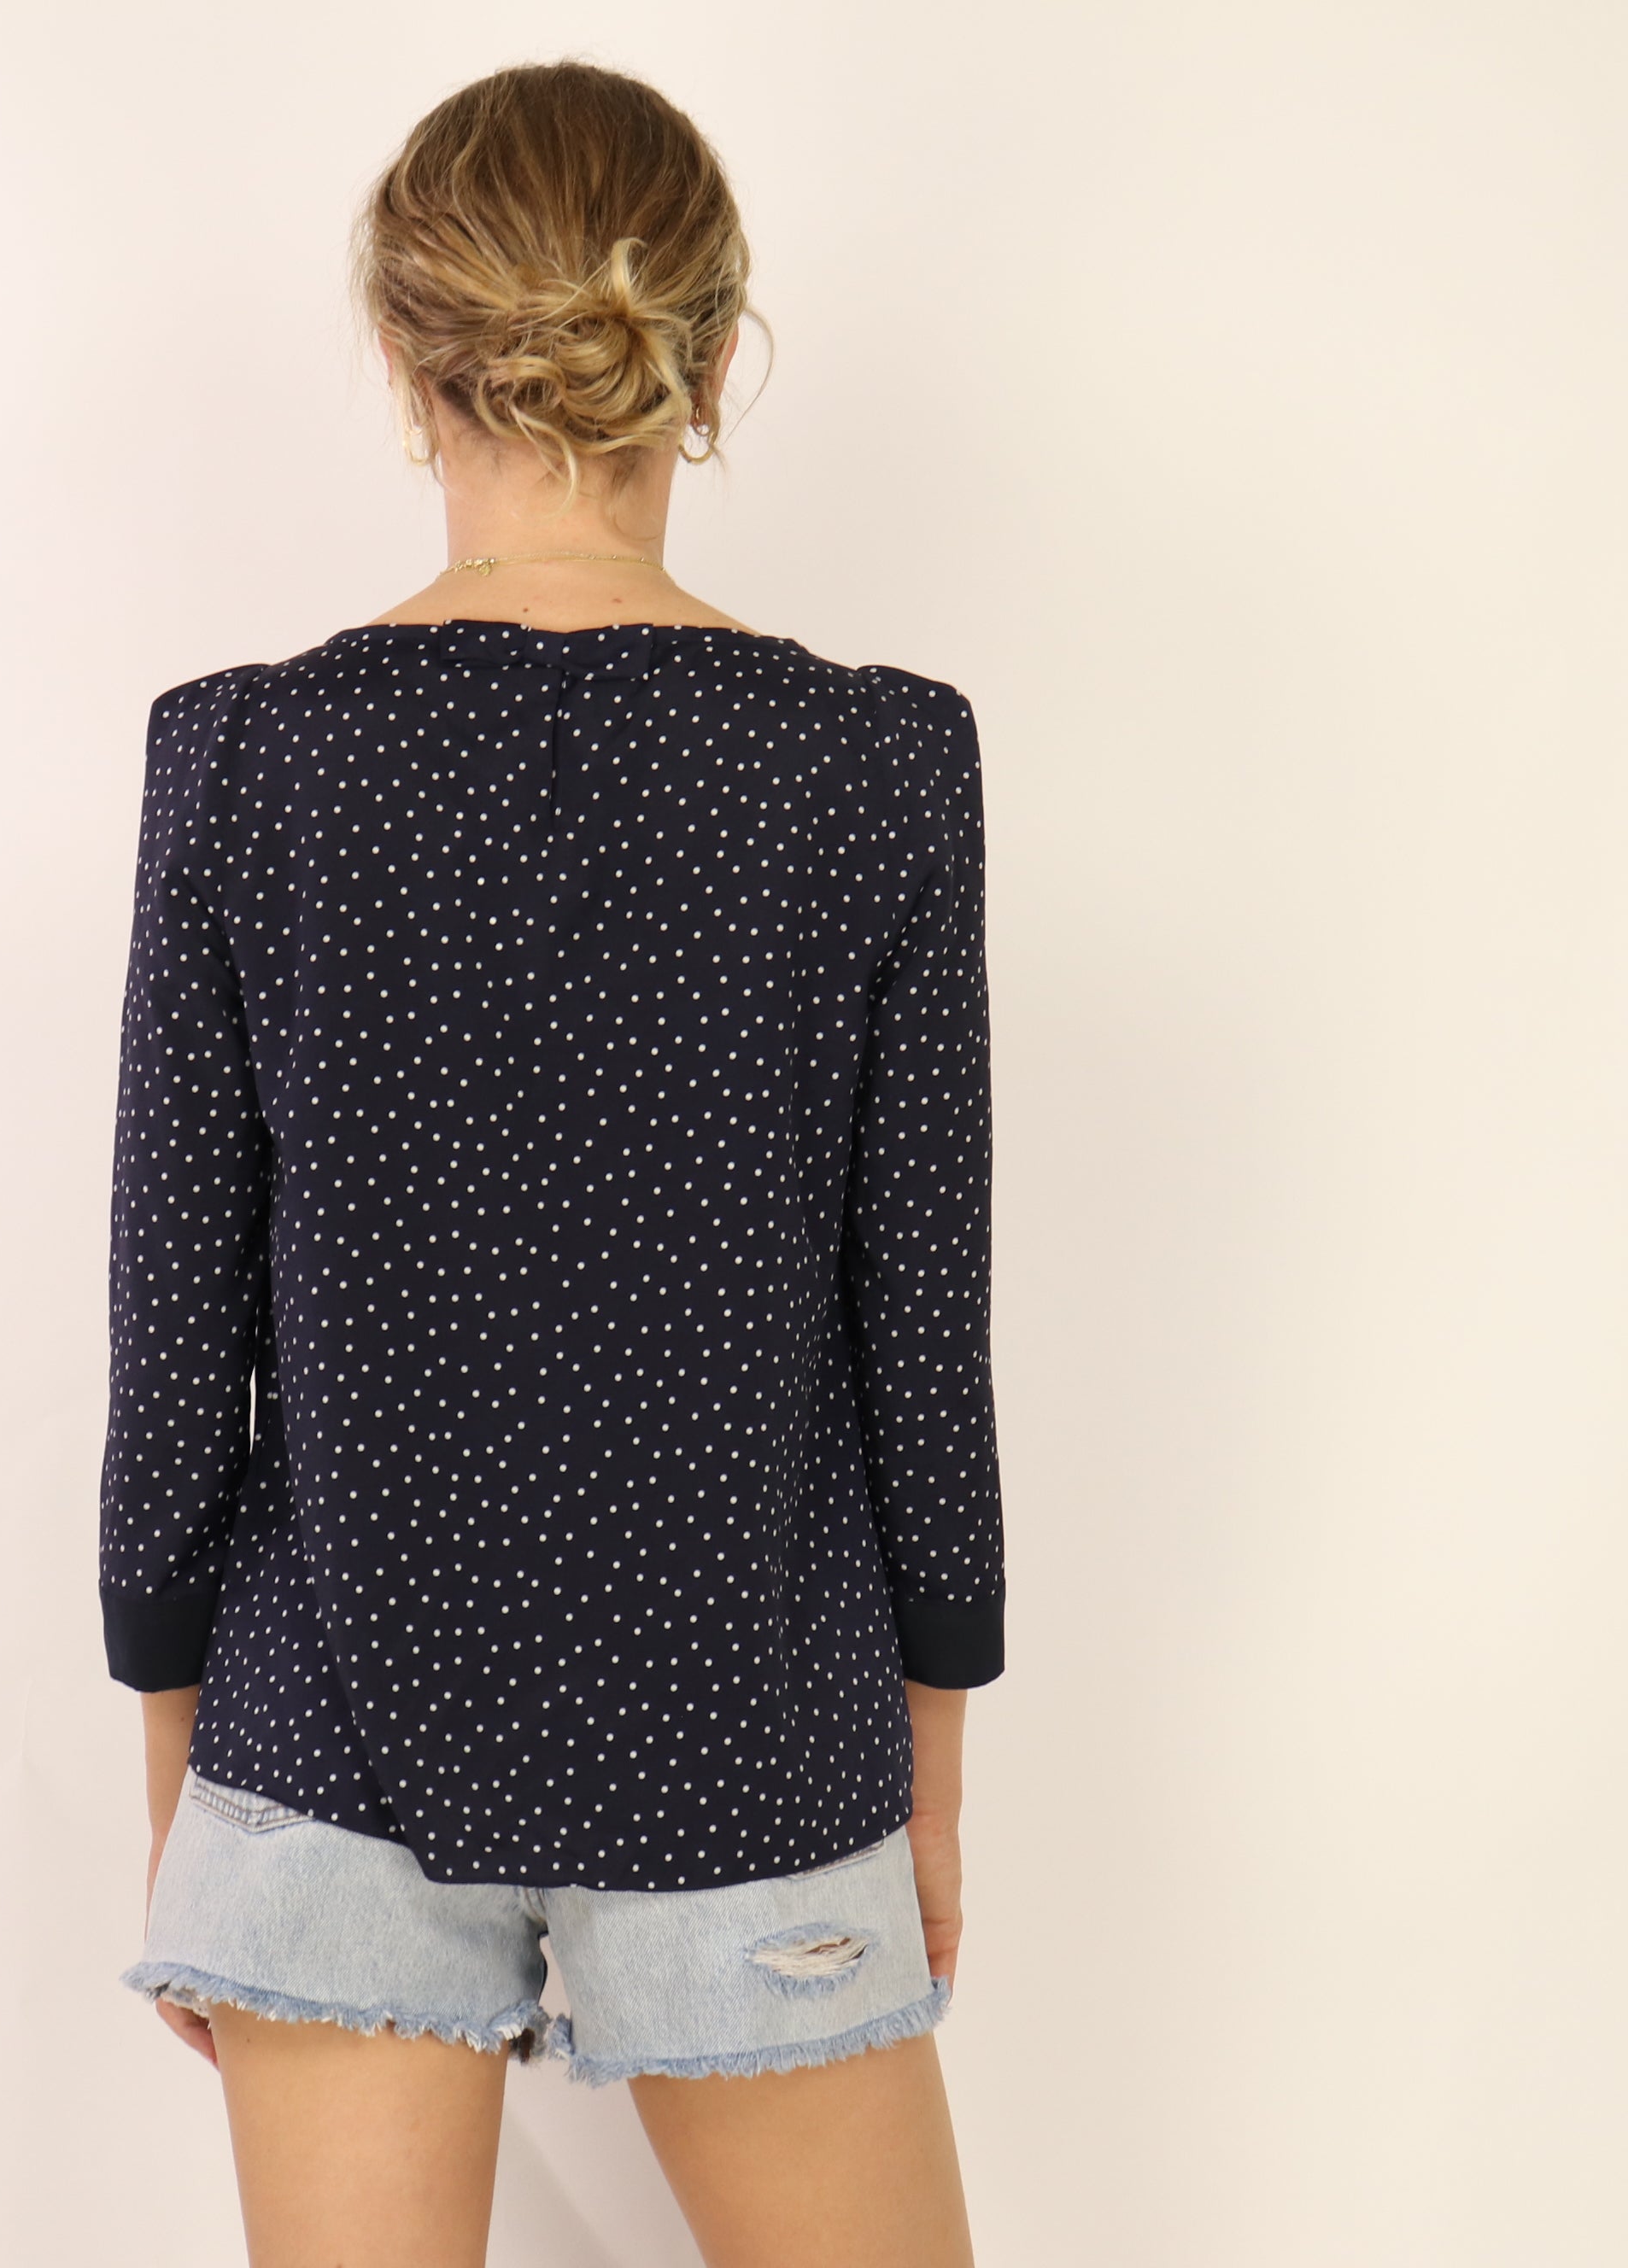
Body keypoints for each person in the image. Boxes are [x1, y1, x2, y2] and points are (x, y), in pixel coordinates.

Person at [97, 58, 1005, 2268]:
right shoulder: (875, 764)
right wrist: (930, 1782)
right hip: (756, 1730)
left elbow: (174, 1329)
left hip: (328, 1733)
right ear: (713, 351)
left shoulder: (250, 757)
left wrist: (184, 1792)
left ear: (403, 348)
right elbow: (922, 1330)